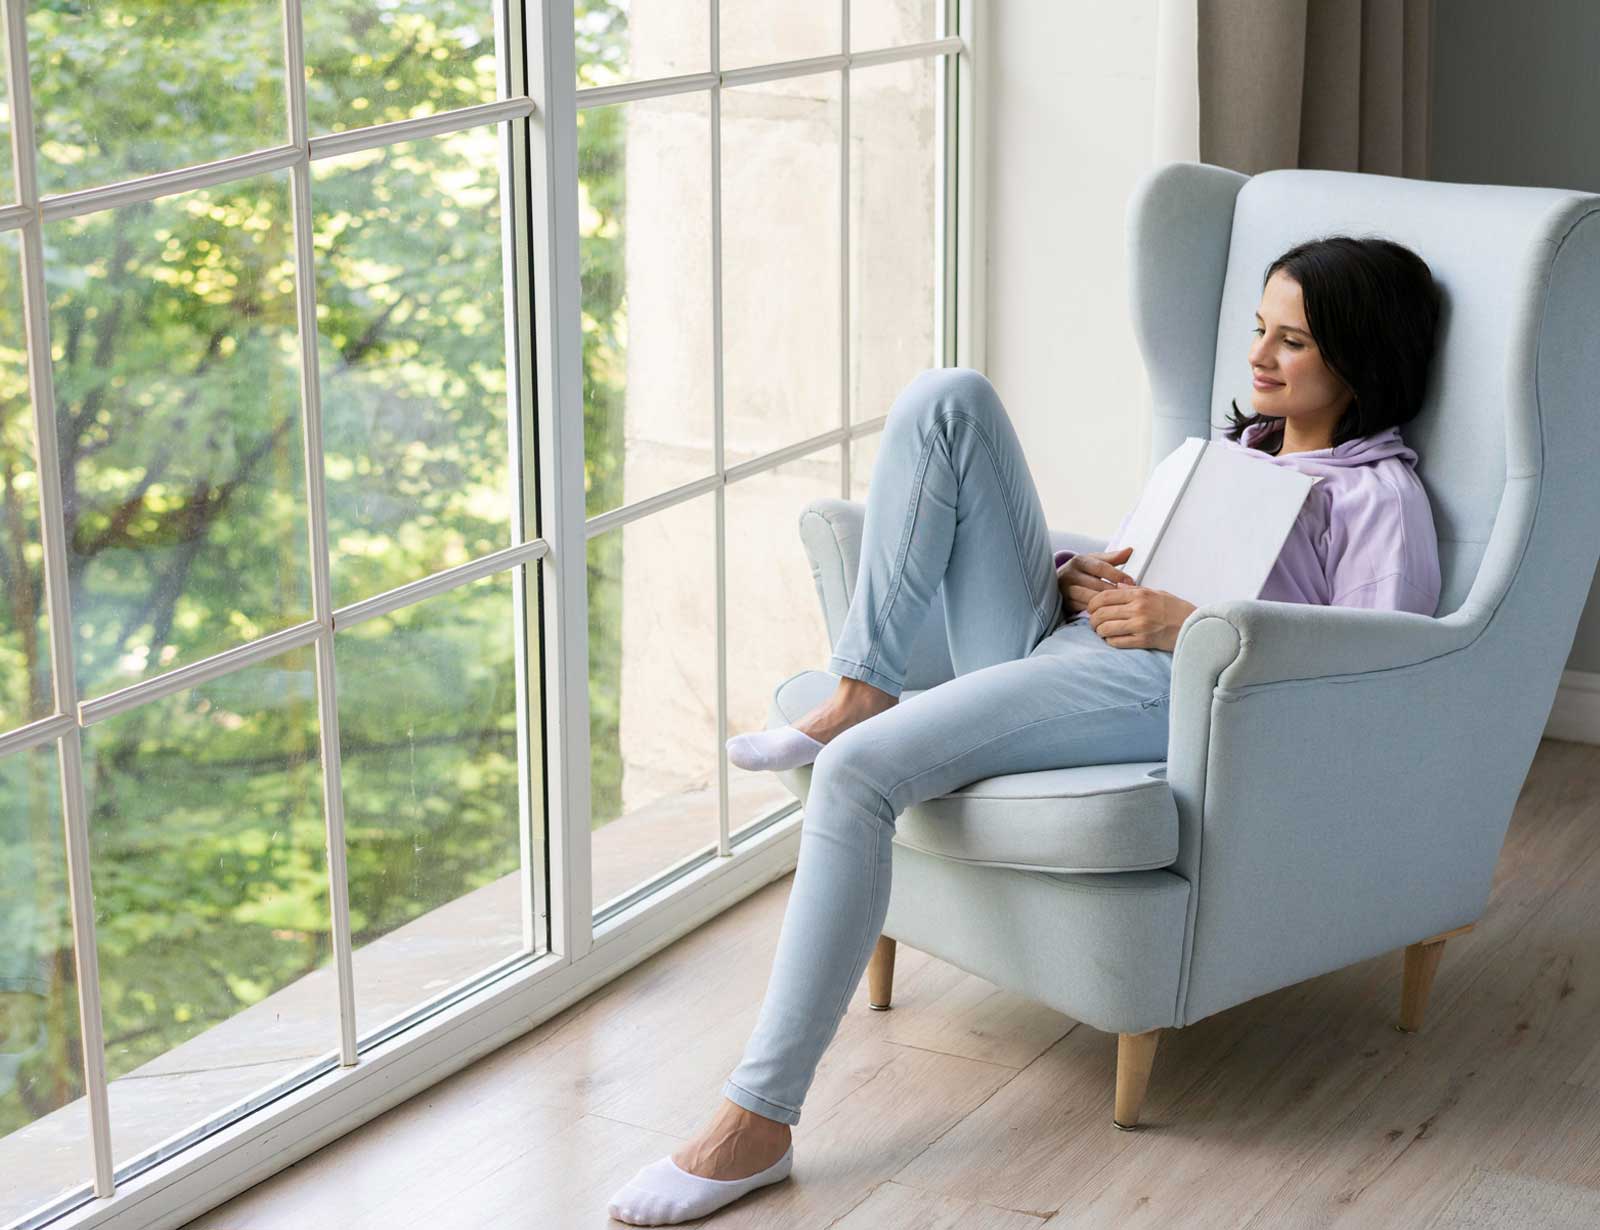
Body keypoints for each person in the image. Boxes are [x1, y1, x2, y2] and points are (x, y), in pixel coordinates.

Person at [606, 235, 1443, 1225]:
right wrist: (1083, 579)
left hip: (1154, 693)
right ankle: (862, 683)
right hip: (1077, 647)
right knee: (947, 396)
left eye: (1292, 341)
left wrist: (1184, 626)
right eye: (1259, 329)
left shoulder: (1379, 495)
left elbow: (1384, 672)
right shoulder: (1227, 453)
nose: (1258, 356)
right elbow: (1140, 572)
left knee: (858, 778)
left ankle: (758, 1119)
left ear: (1360, 356)